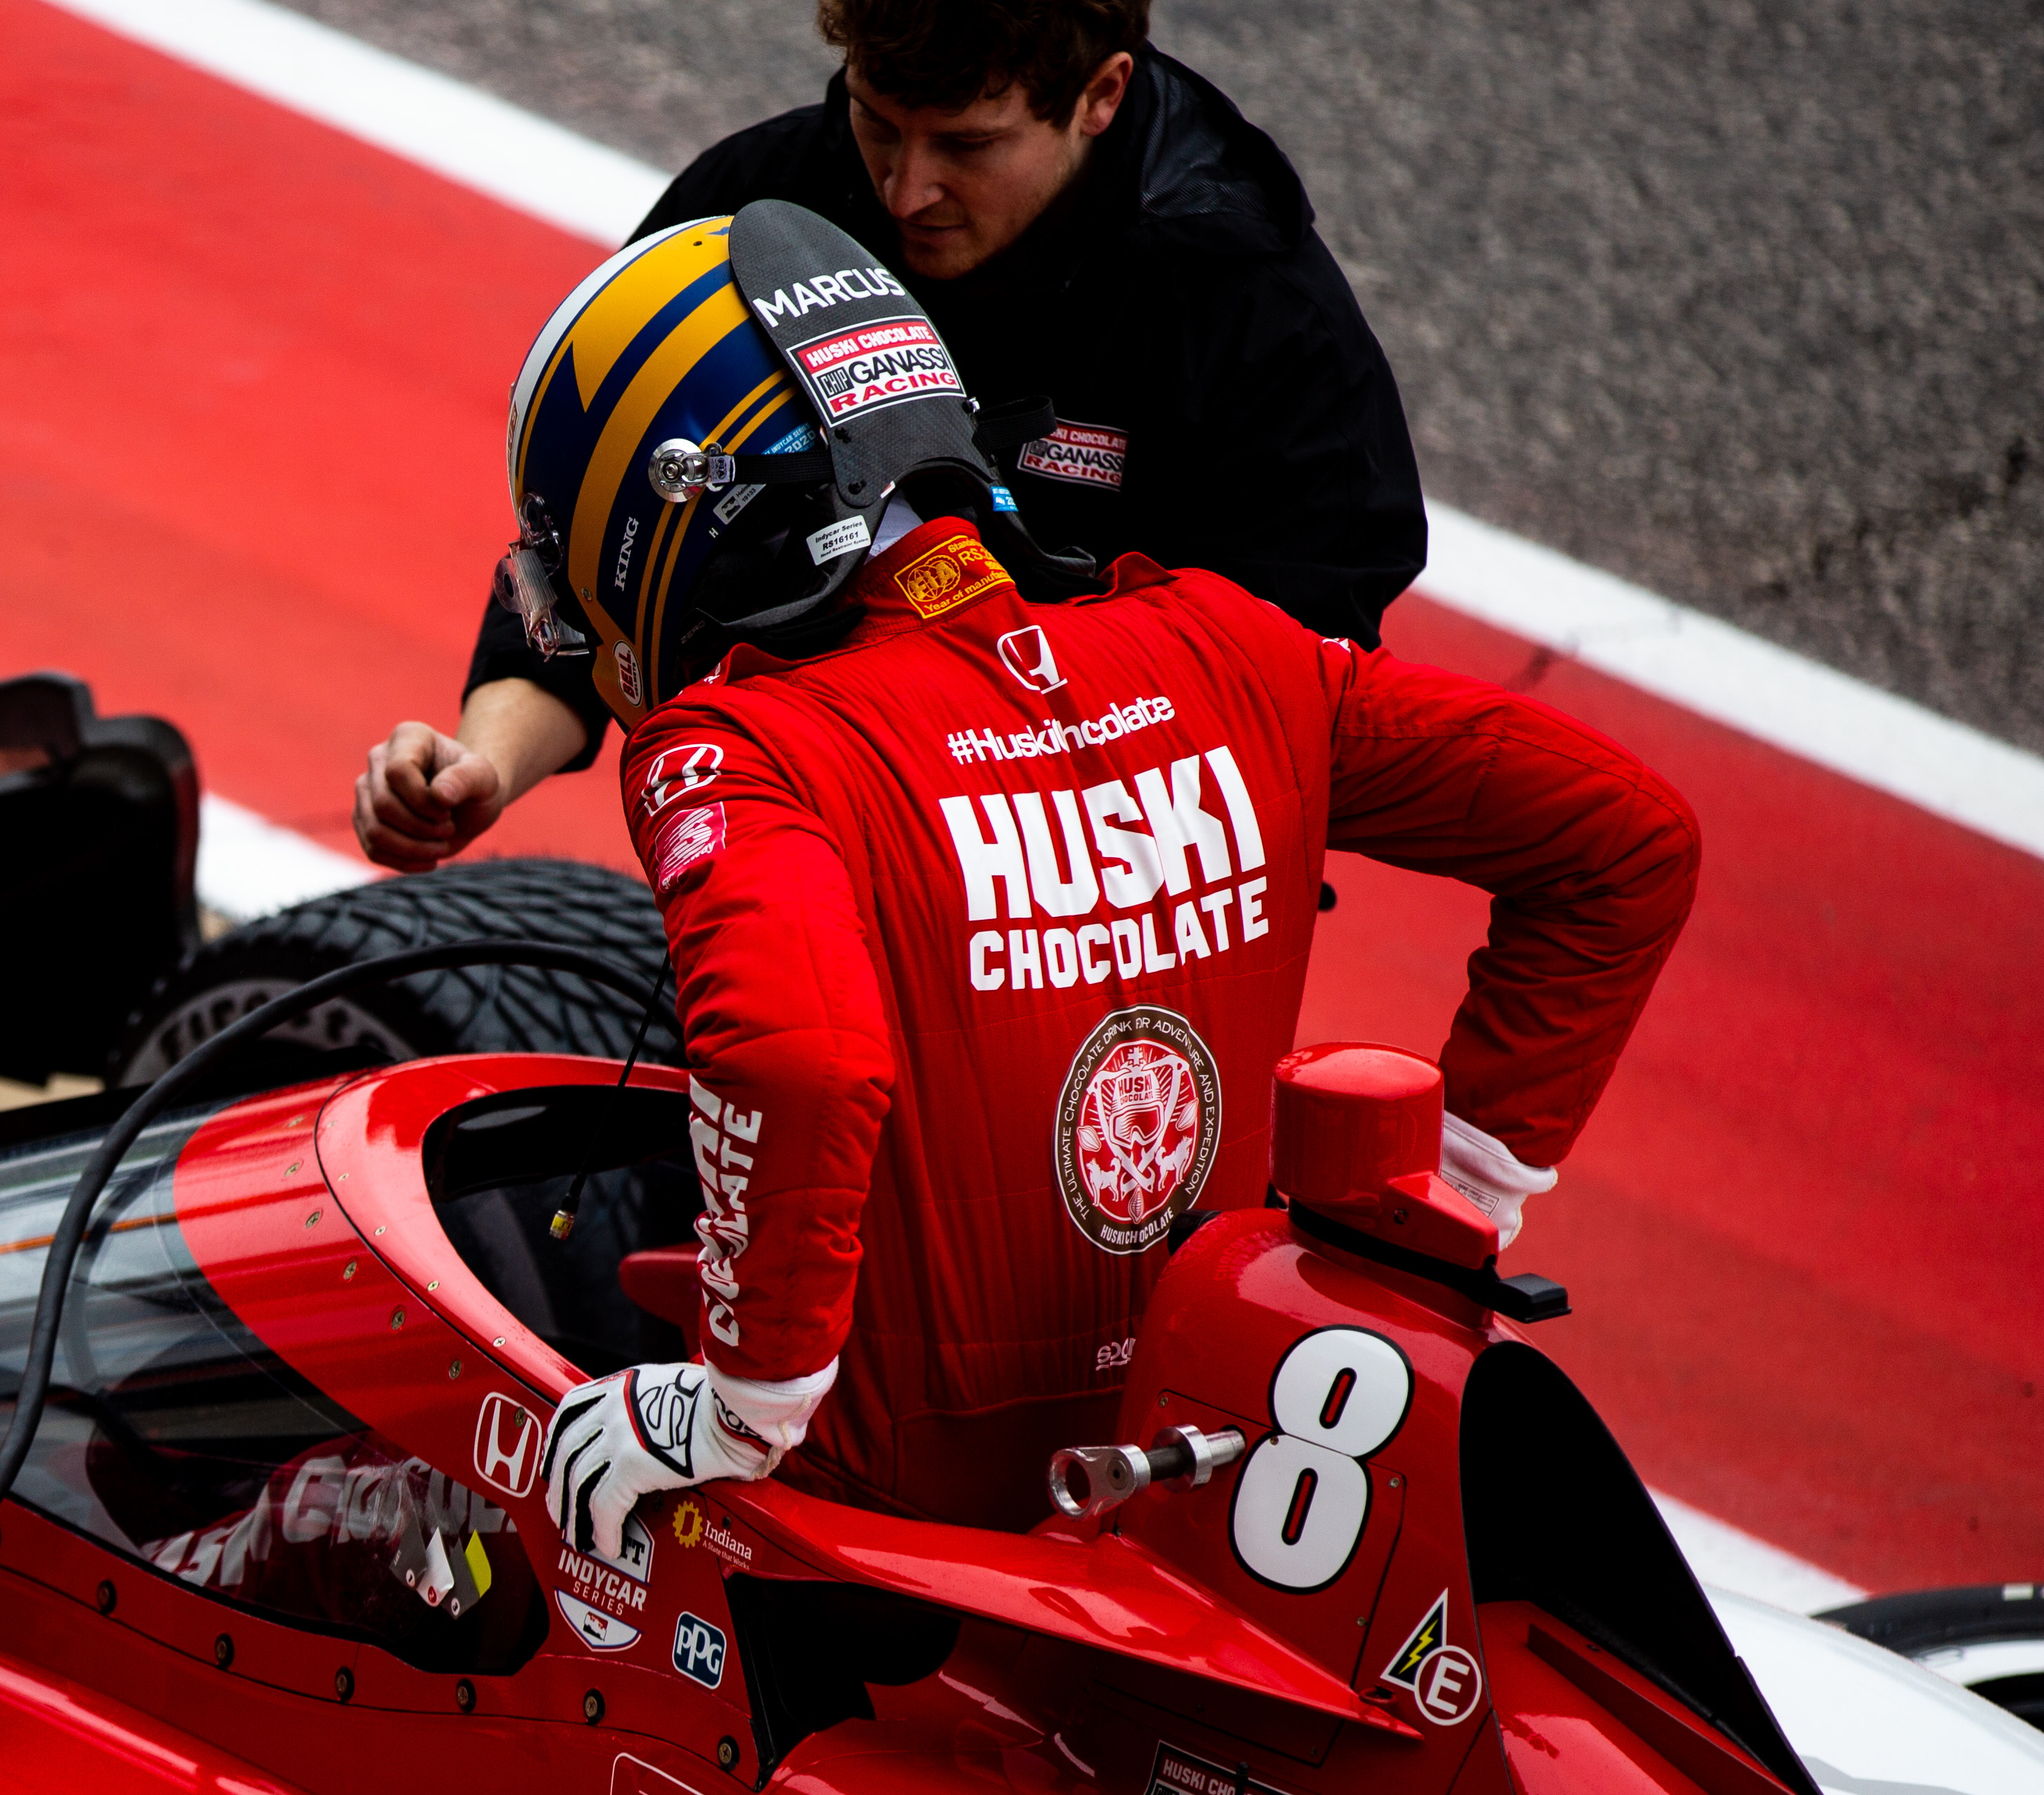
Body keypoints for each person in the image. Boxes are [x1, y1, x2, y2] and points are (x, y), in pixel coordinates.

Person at [501, 206, 1692, 1547]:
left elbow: (800, 1064)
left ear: (658, 516)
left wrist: (737, 1404)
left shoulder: (735, 751)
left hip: (892, 1572)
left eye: (559, 570)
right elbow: (1625, 843)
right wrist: (1449, 1216)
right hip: (1216, 1504)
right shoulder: (1229, 648)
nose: (572, 620)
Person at [357, 0, 1423, 871]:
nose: (906, 189)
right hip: (804, 843)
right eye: (875, 123)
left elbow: (1306, 656)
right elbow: (596, 549)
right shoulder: (754, 212)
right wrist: (479, 769)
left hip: (1114, 872)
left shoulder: (1243, 295)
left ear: (1101, 94)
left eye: (967, 145)